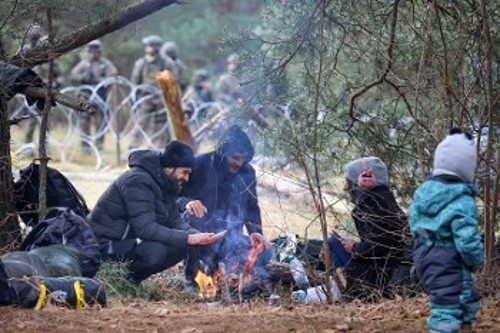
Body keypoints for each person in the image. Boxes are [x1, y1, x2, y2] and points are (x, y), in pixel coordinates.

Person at [88, 140, 223, 283]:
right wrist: (188, 238)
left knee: (182, 245)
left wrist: (198, 236)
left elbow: (174, 220)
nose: (186, 178)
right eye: (184, 172)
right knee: (157, 251)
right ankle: (123, 281)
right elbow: (146, 229)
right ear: (170, 167)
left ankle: (131, 281)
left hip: (127, 241)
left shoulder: (166, 182)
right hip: (104, 246)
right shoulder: (137, 181)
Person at [179, 125, 270, 292]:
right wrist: (188, 203)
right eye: (235, 158)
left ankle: (230, 278)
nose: (239, 163)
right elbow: (175, 197)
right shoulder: (199, 165)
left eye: (243, 159)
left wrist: (255, 232)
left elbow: (252, 206)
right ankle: (191, 280)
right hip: (199, 234)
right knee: (195, 216)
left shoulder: (247, 172)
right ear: (222, 152)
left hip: (229, 238)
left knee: (264, 253)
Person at [410, 128, 483, 333]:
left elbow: (414, 223)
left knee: (464, 293)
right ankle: (443, 329)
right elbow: (467, 240)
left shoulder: (422, 193)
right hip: (449, 257)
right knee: (447, 305)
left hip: (423, 254)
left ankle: (464, 326)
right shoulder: (462, 200)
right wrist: (476, 260)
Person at [327, 156, 410, 302]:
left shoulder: (374, 205)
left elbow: (379, 247)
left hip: (383, 276)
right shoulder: (381, 200)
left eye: (349, 182)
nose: (346, 188)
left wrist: (354, 247)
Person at [70, 40, 118, 153]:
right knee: (84, 122)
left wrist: (97, 80)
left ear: (99, 52)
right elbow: (73, 75)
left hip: (100, 98)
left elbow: (113, 76)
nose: (93, 54)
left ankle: (99, 147)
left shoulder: (105, 63)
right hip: (85, 97)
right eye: (91, 52)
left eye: (95, 52)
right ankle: (85, 147)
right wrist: (84, 78)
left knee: (100, 123)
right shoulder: (84, 64)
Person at [129, 35, 173, 151]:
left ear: (156, 47)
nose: (147, 48)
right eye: (147, 45)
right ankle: (133, 148)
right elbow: (135, 81)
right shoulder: (141, 63)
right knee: (141, 124)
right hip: (145, 98)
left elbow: (172, 81)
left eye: (149, 45)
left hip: (161, 99)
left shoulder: (166, 62)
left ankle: (161, 149)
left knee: (161, 126)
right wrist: (135, 98)